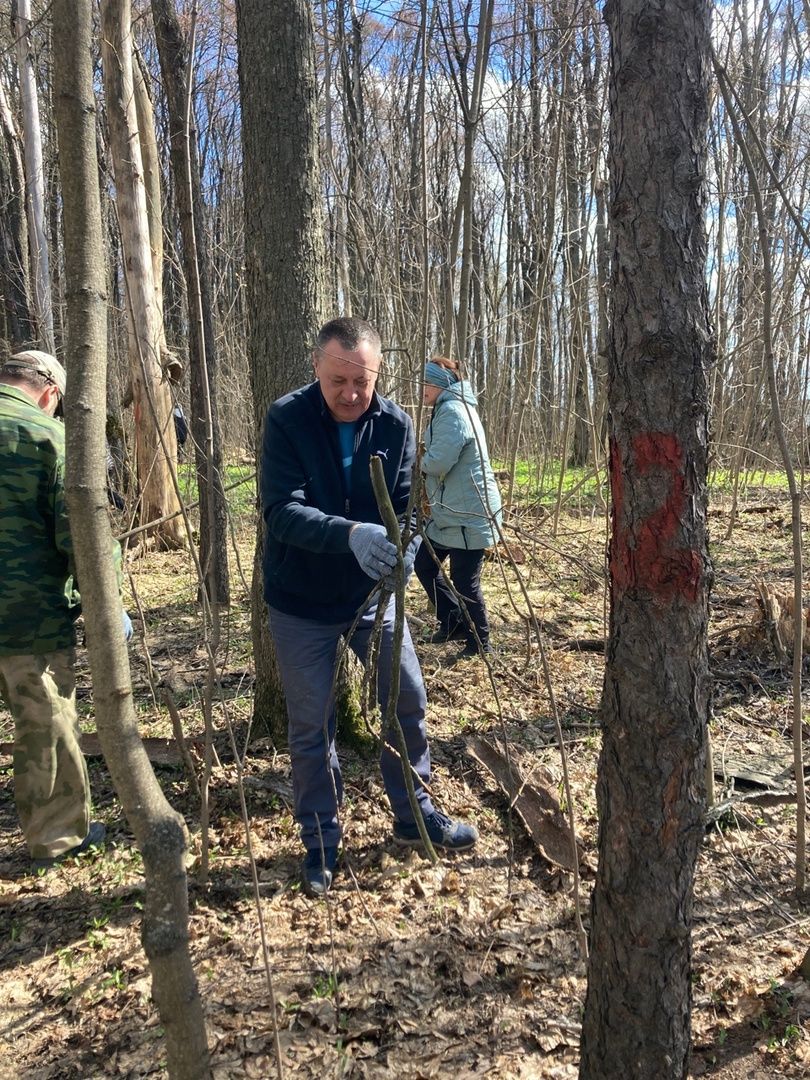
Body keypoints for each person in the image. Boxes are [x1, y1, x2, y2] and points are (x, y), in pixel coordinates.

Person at [261, 317, 478, 897]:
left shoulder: (398, 423)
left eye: (364, 381)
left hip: (372, 595)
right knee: (311, 724)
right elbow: (280, 511)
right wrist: (352, 535)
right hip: (301, 599)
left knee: (406, 695)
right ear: (318, 367)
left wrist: (406, 546)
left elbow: (407, 505)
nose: (353, 394)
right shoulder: (286, 418)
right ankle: (321, 840)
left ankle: (415, 816)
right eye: (340, 380)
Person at [0, 349, 132, 871]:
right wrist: (105, 601)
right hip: (26, 618)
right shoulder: (46, 436)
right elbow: (79, 535)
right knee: (43, 724)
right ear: (52, 392)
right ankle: (56, 838)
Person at [414, 356, 503, 656]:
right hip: (450, 513)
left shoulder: (453, 411)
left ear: (440, 384)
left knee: (465, 579)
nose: (422, 388)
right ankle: (453, 622)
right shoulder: (447, 408)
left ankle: (481, 643)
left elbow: (438, 462)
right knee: (425, 564)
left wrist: (418, 462)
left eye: (427, 382)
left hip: (469, 513)